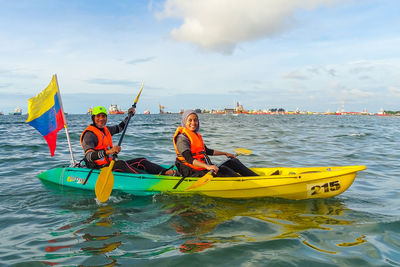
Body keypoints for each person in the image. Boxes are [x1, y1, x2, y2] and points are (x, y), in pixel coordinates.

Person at [80, 106, 176, 175]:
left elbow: (121, 127)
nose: (101, 119)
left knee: (141, 161)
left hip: (109, 164)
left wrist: (129, 115)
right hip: (98, 169)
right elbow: (89, 156)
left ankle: (166, 172)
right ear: (93, 118)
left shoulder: (106, 130)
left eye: (103, 116)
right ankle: (148, 179)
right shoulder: (89, 135)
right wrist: (109, 151)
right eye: (98, 116)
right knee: (120, 164)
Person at [173, 110, 258, 178]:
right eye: (190, 120)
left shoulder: (196, 135)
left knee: (232, 161)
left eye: (195, 120)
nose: (193, 123)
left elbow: (207, 151)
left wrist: (225, 153)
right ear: (184, 121)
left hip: (202, 168)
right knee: (223, 170)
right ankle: (246, 184)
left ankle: (256, 178)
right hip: (191, 171)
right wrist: (208, 167)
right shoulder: (182, 139)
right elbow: (189, 159)